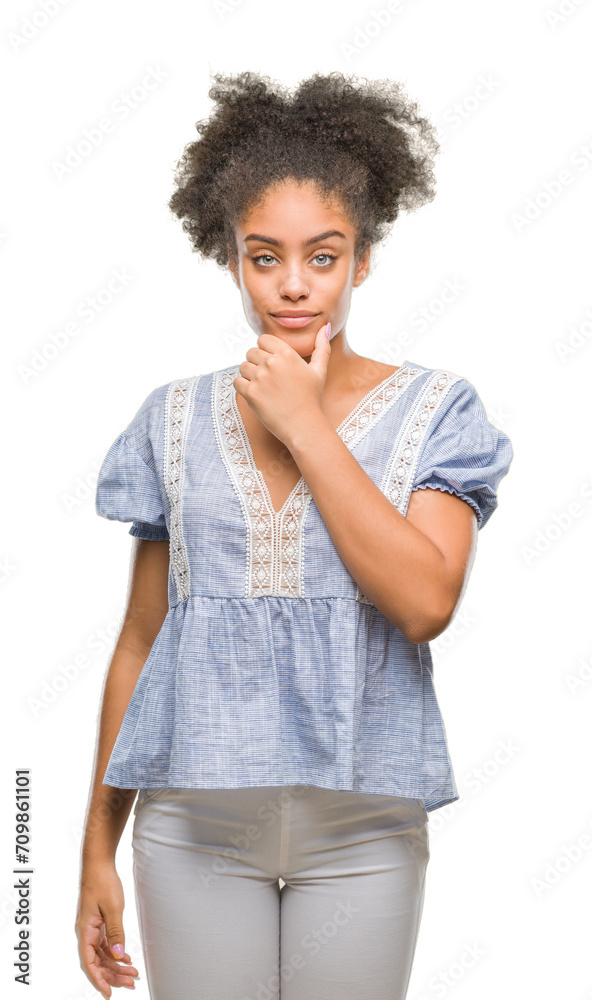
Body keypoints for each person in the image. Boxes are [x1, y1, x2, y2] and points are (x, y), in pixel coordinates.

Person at [75, 70, 513, 1000]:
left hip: (362, 829)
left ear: (362, 260)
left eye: (324, 255)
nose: (293, 286)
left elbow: (425, 602)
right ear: (230, 257)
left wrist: (307, 423)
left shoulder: (439, 411)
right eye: (263, 256)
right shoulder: (171, 419)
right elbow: (140, 642)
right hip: (192, 824)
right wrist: (93, 852)